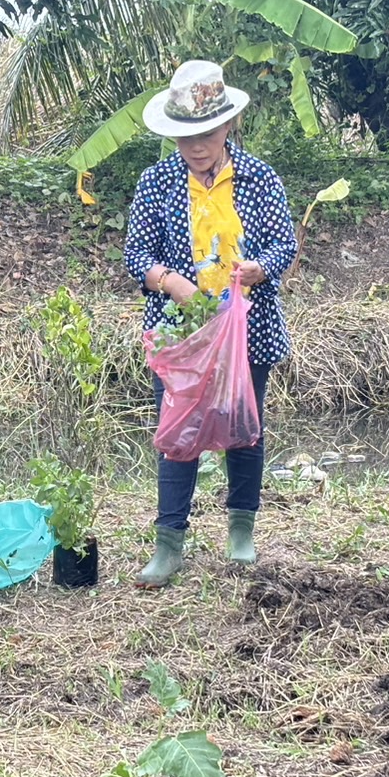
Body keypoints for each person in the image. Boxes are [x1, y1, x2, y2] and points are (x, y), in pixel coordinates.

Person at [124, 60, 298, 588]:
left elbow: (282, 244)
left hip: (247, 324)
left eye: (206, 133)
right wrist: (172, 282)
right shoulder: (155, 182)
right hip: (182, 330)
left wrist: (257, 269)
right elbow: (137, 254)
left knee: (246, 427)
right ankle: (168, 543)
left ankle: (241, 532)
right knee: (179, 431)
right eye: (185, 136)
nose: (197, 145)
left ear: (227, 127)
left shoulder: (258, 177)